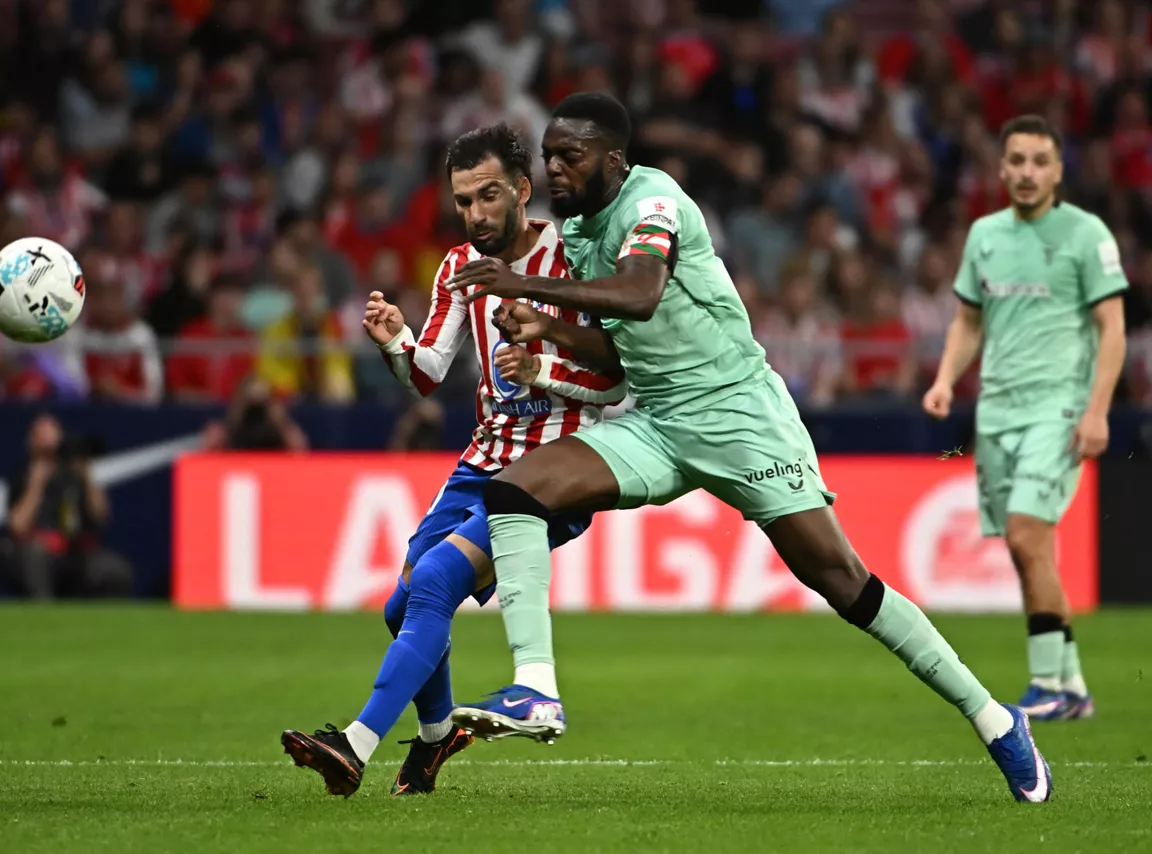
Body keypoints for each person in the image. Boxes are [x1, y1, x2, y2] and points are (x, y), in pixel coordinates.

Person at [441, 93, 1052, 804]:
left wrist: (521, 282)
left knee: (841, 581)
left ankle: (994, 719)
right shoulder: (576, 233)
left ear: (613, 159)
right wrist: (550, 333)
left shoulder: (654, 201)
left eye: (569, 156)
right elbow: (615, 348)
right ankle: (537, 690)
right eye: (548, 157)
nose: (554, 169)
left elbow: (640, 293)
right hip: (660, 419)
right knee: (516, 488)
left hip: (739, 416)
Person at [279, 124, 627, 797]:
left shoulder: (576, 258)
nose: (476, 214)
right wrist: (395, 345)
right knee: (401, 606)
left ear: (523, 190)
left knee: (435, 581)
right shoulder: (457, 267)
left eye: (489, 195)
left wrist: (541, 366)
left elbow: (614, 383)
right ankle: (437, 738)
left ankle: (353, 745)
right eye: (464, 201)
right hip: (482, 460)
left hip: (555, 471)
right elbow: (429, 374)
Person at [923, 115, 1127, 721]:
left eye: (1040, 161)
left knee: (1025, 534)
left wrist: (1097, 411)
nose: (1028, 172)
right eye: (1017, 160)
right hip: (998, 411)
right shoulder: (985, 234)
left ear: (1059, 170)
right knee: (1027, 547)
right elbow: (969, 320)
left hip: (1058, 408)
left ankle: (1049, 687)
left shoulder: (1086, 234)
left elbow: (1111, 326)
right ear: (1002, 167)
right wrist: (942, 378)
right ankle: (1074, 688)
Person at [4, 414, 132, 599]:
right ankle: (43, 616)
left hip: (75, 552)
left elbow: (101, 517)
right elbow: (17, 527)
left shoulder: (75, 475)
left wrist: (88, 477)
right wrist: (36, 486)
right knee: (33, 556)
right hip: (41, 552)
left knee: (115, 569)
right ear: (31, 444)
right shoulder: (22, 476)